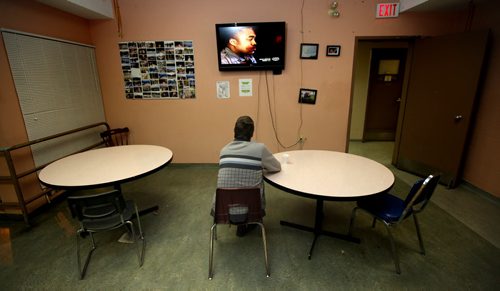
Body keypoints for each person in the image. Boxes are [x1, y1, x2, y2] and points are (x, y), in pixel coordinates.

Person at [214, 115, 281, 236]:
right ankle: (248, 222)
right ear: (252, 133)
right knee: (257, 179)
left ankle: (240, 224)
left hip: (222, 210)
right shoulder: (259, 148)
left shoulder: (223, 150)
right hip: (252, 211)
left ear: (234, 131)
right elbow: (276, 167)